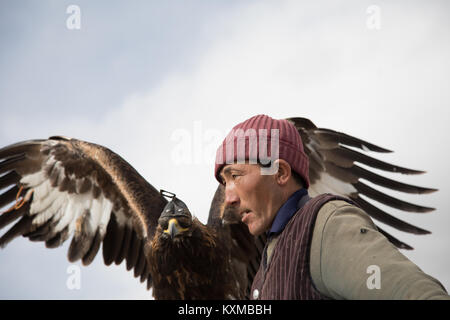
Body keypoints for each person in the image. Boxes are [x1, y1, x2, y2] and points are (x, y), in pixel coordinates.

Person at [214, 114, 449, 300]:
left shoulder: (321, 229)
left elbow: (414, 293)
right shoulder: (266, 266)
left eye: (236, 176)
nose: (228, 198)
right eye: (225, 183)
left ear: (281, 172)